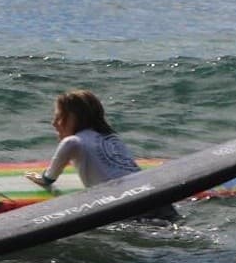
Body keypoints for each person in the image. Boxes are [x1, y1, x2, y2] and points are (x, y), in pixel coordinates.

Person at [27, 90, 179, 221]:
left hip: (124, 204)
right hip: (154, 195)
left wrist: (43, 179)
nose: (54, 123)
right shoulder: (112, 138)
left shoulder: (73, 141)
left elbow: (49, 178)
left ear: (73, 118)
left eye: (58, 117)